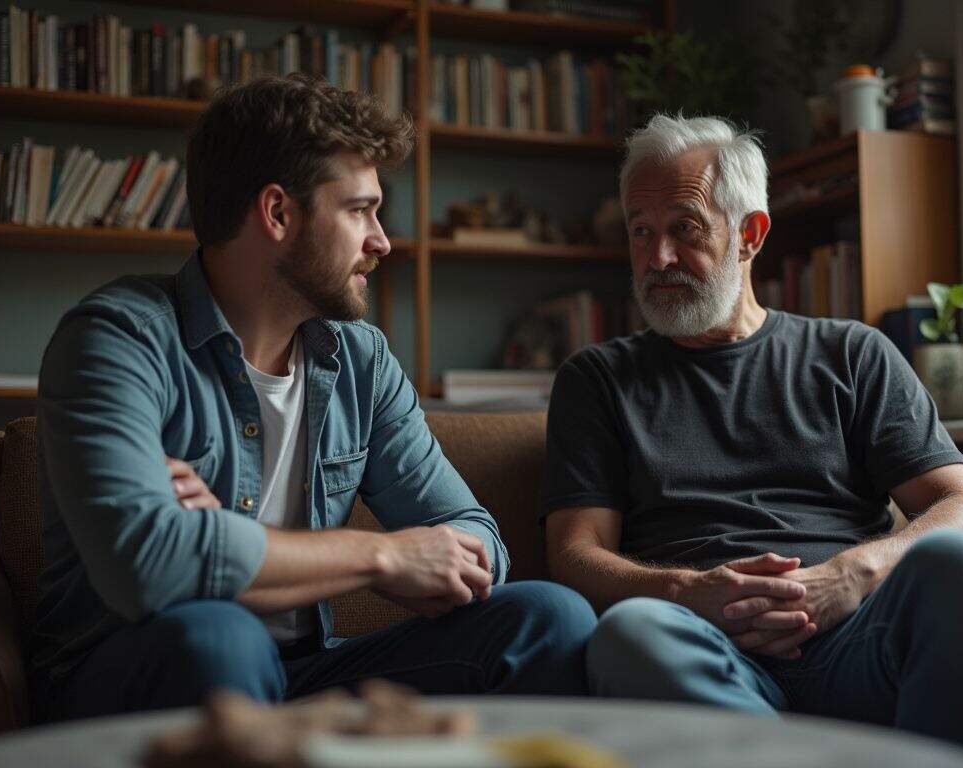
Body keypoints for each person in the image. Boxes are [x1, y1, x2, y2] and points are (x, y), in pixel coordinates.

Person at [32, 74, 595, 721]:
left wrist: (218, 540)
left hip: (307, 670)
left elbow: (476, 540)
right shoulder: (117, 339)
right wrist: (385, 556)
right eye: (359, 210)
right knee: (221, 637)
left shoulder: (360, 359)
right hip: (135, 668)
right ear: (277, 213)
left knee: (548, 616)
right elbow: (149, 568)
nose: (382, 240)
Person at [541, 114, 963, 765]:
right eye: (640, 232)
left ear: (750, 233)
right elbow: (573, 555)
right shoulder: (597, 380)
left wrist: (854, 574)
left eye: (684, 229)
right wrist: (690, 592)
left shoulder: (852, 354)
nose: (657, 259)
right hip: (699, 644)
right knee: (632, 633)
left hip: (855, 639)